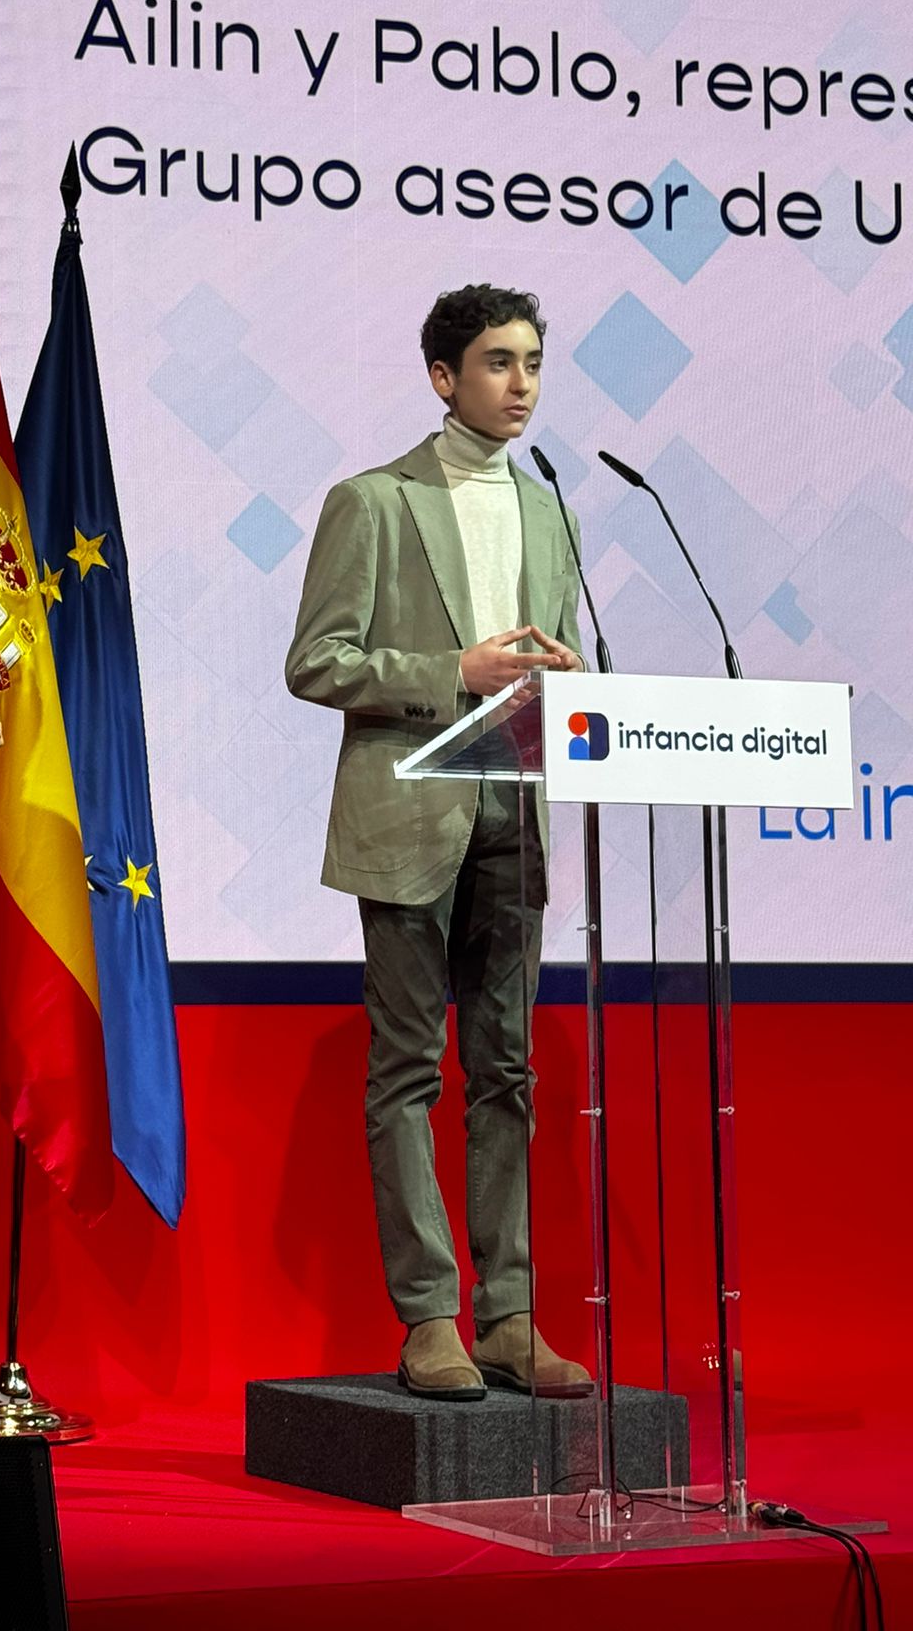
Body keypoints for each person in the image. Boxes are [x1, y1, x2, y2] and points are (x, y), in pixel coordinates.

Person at [285, 285, 593, 1403]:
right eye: (500, 362)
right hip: (412, 813)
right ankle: (430, 1317)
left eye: (533, 363)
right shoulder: (374, 501)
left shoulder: (550, 509)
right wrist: (451, 673)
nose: (522, 384)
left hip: (517, 807)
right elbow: (316, 661)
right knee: (410, 1067)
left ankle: (510, 1316)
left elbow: (559, 660)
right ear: (443, 377)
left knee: (507, 1069)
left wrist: (566, 681)